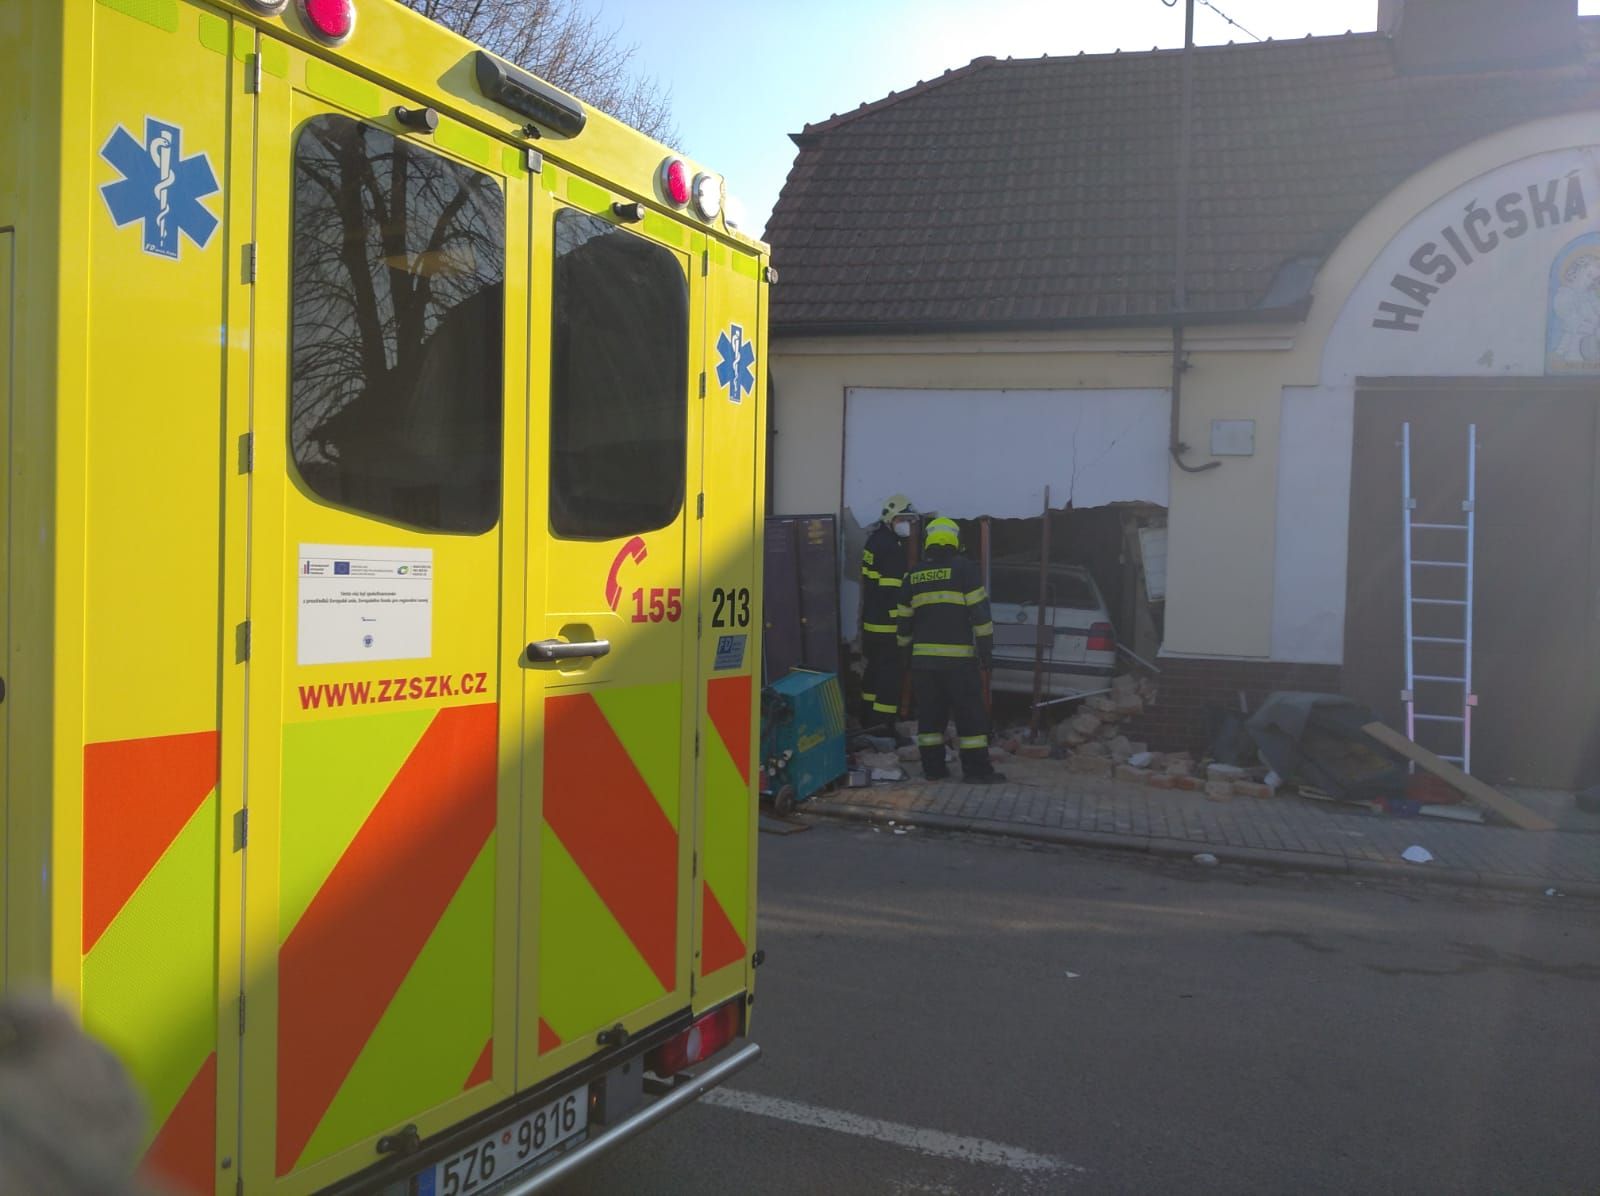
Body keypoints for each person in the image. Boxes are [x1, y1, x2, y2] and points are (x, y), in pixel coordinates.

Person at [895, 517, 1003, 784]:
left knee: (930, 718)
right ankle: (976, 771)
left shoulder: (913, 575)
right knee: (970, 717)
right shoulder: (965, 569)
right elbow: (980, 615)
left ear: (928, 541)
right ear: (955, 540)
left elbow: (903, 621)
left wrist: (905, 654)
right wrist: (986, 651)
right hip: (959, 664)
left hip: (923, 664)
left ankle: (933, 770)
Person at [858, 494, 915, 728]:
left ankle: (867, 718)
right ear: (891, 518)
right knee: (889, 676)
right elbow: (894, 591)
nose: (907, 524)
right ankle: (883, 725)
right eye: (903, 519)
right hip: (887, 625)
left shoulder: (874, 541)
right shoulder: (891, 547)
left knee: (873, 671)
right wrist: (903, 620)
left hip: (871, 621)